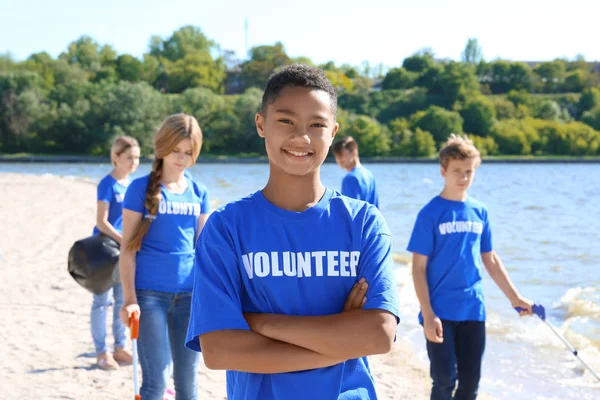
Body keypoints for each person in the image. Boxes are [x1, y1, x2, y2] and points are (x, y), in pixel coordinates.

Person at [185, 64, 400, 400]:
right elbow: (219, 350)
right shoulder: (226, 228)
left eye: (317, 124)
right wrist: (340, 339)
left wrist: (261, 323)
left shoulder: (363, 223)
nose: (301, 137)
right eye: (286, 121)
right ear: (261, 124)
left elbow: (380, 335)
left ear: (333, 132)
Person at [407, 134, 534, 400]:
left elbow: (491, 259)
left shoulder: (480, 211)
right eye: (457, 172)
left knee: (470, 383)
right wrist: (427, 313)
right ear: (443, 171)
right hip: (440, 310)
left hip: (473, 309)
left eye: (469, 172)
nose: (463, 178)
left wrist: (515, 298)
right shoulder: (430, 213)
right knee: (444, 379)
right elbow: (418, 268)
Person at [119, 114, 210, 400]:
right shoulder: (138, 189)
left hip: (189, 297)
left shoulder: (200, 192)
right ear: (162, 147)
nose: (182, 159)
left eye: (189, 153)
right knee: (156, 381)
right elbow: (127, 249)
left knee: (188, 384)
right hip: (149, 297)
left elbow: (205, 251)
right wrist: (129, 299)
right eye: (176, 151)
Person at [91, 135, 140, 370]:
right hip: (104, 251)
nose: (134, 162)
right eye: (129, 157)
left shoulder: (133, 185)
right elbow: (101, 222)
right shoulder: (106, 184)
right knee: (101, 302)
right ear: (116, 157)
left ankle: (121, 347)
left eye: (137, 158)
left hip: (125, 253)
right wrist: (123, 240)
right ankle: (102, 353)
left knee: (123, 300)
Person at [332, 136, 379, 208]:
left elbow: (350, 212)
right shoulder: (369, 174)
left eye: (341, 155)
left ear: (354, 152)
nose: (338, 159)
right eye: (336, 155)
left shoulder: (350, 178)